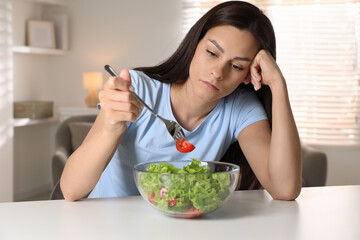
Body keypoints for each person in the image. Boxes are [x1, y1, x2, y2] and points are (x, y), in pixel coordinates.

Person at [60, 1, 302, 202]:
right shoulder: (137, 89)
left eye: (237, 66)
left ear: (248, 75)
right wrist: (111, 129)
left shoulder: (240, 108)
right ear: (194, 44)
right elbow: (70, 190)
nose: (218, 72)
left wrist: (278, 85)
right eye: (212, 53)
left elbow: (285, 190)